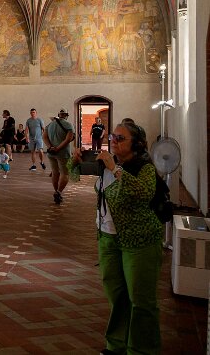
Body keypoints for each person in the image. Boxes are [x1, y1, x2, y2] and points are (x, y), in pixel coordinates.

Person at [69, 122, 163, 354]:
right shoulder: (105, 163)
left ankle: (141, 350)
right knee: (117, 296)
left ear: (136, 144)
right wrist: (75, 161)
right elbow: (74, 176)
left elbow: (142, 193)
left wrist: (115, 168)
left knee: (141, 301)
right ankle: (116, 345)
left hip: (139, 241)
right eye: (113, 137)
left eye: (121, 138)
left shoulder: (143, 167)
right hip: (108, 238)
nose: (114, 141)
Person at [44, 108, 75, 204]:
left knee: (55, 172)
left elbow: (44, 137)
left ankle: (56, 191)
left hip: (51, 153)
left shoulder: (49, 125)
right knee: (65, 173)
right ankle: (59, 192)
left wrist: (50, 147)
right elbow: (68, 139)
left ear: (58, 115)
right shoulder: (68, 125)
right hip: (63, 153)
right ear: (66, 115)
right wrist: (58, 148)